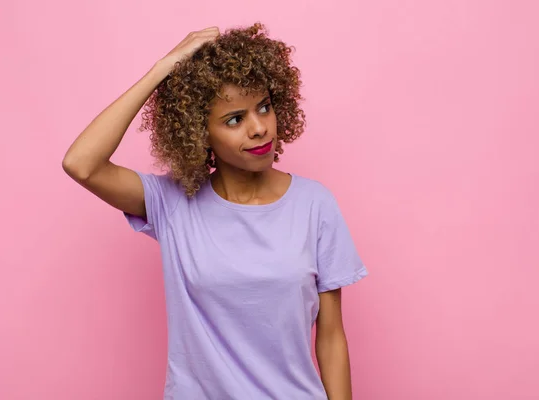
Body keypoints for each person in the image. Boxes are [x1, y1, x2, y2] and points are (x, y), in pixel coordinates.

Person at [62, 22, 368, 400]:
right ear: (198, 131)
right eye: (235, 119)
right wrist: (163, 68)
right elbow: (82, 163)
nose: (258, 128)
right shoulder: (172, 203)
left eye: (264, 107)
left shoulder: (315, 205)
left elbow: (332, 335)